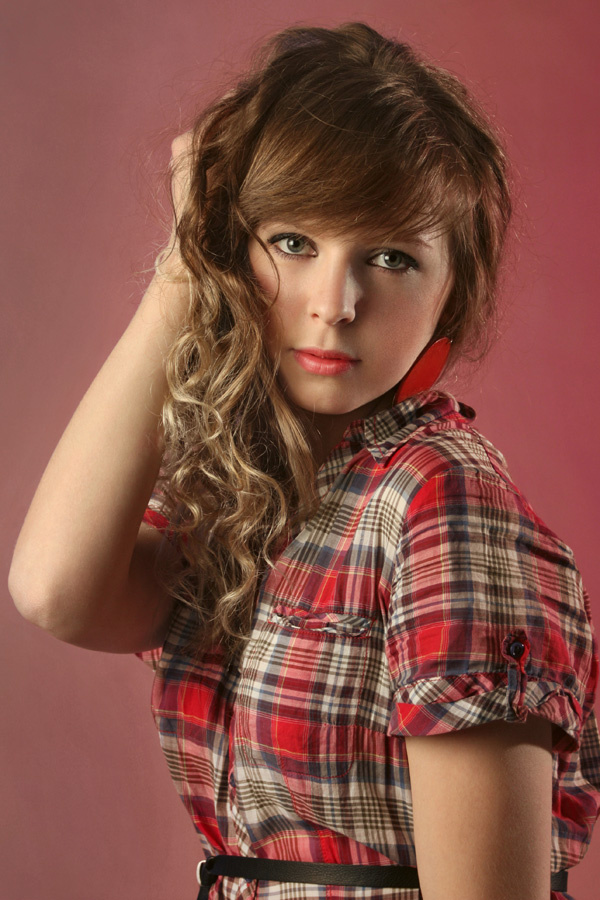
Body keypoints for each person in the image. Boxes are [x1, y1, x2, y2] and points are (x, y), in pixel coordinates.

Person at [8, 21, 600, 900]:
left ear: (452, 292)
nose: (335, 302)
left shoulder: (440, 501)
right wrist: (185, 266)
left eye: (390, 258)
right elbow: (56, 591)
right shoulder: (251, 488)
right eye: (293, 242)